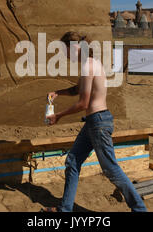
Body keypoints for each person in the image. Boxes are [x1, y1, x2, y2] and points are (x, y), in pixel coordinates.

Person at [43, 31, 147, 212]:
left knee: (110, 169)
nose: (64, 54)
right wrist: (58, 92)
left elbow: (83, 102)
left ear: (74, 48)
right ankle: (65, 209)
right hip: (94, 122)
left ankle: (139, 209)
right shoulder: (91, 64)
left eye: (64, 50)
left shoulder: (88, 66)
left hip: (98, 123)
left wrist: (58, 115)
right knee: (72, 162)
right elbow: (78, 89)